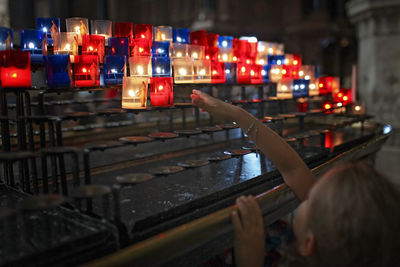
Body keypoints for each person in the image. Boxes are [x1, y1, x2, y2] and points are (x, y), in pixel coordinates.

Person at [191, 89, 400, 267]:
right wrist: (235, 113)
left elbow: (294, 171)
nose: (308, 193)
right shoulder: (325, 233)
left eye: (311, 200)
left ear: (309, 243)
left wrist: (250, 260)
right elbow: (294, 169)